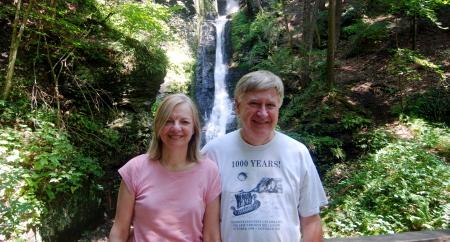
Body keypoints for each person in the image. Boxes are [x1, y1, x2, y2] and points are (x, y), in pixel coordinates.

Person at [202, 70, 328, 242]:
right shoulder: (213, 153)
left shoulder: (297, 153)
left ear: (278, 108)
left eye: (270, 105)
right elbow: (207, 224)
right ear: (237, 106)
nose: (262, 113)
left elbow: (310, 219)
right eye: (254, 104)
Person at [109, 93, 222, 242]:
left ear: (194, 128)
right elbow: (119, 230)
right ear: (158, 126)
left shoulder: (209, 171)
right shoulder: (135, 169)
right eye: (168, 121)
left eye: (184, 122)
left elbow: (211, 235)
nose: (176, 128)